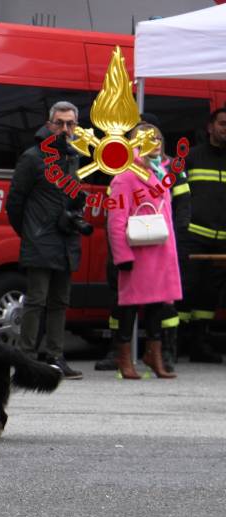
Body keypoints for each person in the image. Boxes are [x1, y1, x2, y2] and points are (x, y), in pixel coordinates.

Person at [94, 112, 189, 373]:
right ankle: (124, 358)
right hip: (138, 254)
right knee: (129, 306)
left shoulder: (160, 172)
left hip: (161, 252)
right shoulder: (125, 175)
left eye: (157, 138)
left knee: (158, 305)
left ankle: (153, 355)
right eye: (148, 139)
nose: (155, 143)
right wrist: (122, 257)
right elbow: (115, 221)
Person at [6, 101, 88, 379]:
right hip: (40, 240)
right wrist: (31, 232)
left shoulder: (73, 156)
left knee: (60, 301)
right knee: (36, 301)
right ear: (49, 124)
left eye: (70, 123)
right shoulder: (32, 157)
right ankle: (26, 359)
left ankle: (55, 357)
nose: (65, 128)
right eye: (60, 123)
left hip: (65, 239)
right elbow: (14, 202)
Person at [177, 107, 226, 363]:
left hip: (222, 239)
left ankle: (199, 343)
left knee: (210, 294)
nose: (225, 129)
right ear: (210, 127)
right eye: (222, 123)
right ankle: (174, 343)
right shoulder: (193, 157)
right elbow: (177, 194)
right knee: (185, 288)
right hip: (193, 235)